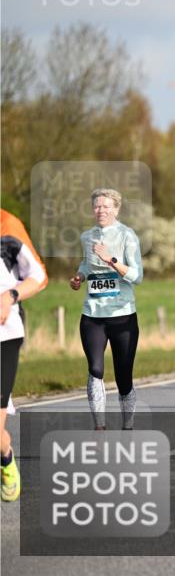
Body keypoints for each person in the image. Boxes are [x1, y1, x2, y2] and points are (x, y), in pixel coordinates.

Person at [69, 188, 144, 430]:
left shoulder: (127, 235)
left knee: (124, 377)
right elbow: (86, 262)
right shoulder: (86, 236)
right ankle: (99, 427)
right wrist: (80, 276)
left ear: (116, 209)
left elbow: (137, 276)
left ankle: (128, 425)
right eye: (97, 206)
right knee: (95, 369)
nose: (101, 210)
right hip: (93, 314)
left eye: (106, 206)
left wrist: (110, 258)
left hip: (122, 316)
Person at [1, 211, 47, 502]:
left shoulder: (6, 225)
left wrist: (9, 296)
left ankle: (4, 459)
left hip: (4, 333)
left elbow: (38, 276)